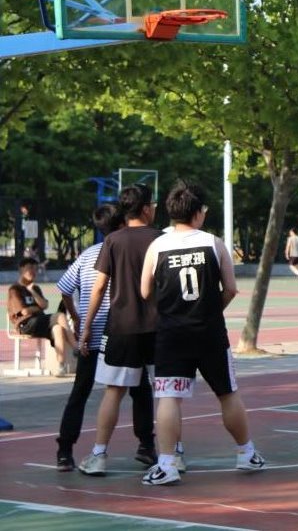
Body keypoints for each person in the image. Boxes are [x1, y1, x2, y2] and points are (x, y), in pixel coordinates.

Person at [138, 180, 265, 485]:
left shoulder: (158, 246)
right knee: (227, 393)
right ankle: (246, 453)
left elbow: (144, 291)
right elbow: (230, 288)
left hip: (171, 333)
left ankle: (166, 464)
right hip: (209, 332)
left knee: (169, 396)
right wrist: (209, 309)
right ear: (197, 212)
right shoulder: (214, 244)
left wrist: (168, 308)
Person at [55, 204, 157, 473]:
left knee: (80, 392)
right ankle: (146, 445)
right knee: (140, 390)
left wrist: (78, 318)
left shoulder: (88, 255)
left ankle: (65, 450)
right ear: (123, 222)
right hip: (120, 332)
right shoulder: (125, 251)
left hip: (92, 335)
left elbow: (65, 287)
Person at [77, 184, 163, 476]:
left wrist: (86, 327)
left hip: (121, 327)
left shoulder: (112, 241)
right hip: (157, 327)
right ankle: (172, 455)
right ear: (146, 209)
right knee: (166, 392)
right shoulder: (160, 239)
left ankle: (99, 455)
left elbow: (99, 287)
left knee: (113, 391)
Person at [7, 257, 77, 376]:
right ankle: (76, 347)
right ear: (21, 270)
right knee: (60, 316)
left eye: (35, 269)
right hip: (25, 324)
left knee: (58, 329)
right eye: (30, 268)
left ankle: (61, 367)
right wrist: (38, 307)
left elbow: (44, 305)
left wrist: (33, 292)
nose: (33, 272)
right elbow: (24, 312)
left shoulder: (35, 288)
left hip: (39, 322)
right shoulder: (15, 289)